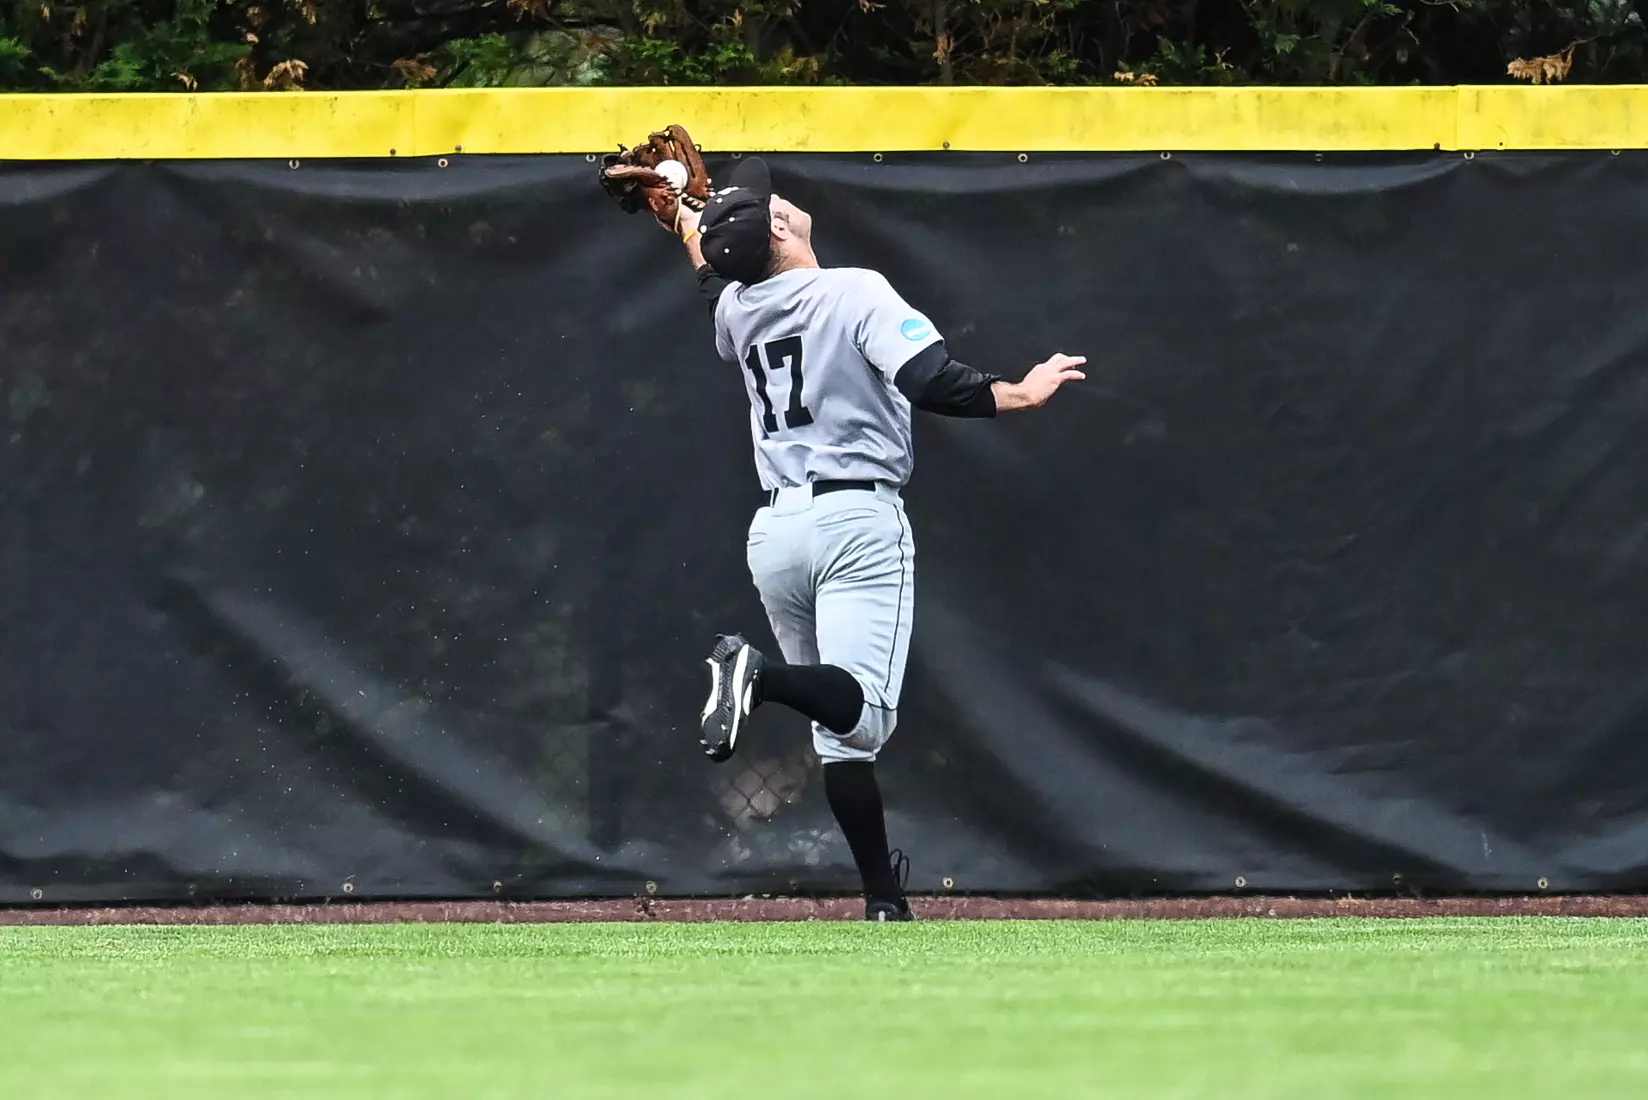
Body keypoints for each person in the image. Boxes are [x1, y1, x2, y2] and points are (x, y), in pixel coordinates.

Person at [675, 157, 1085, 921]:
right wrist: (1020, 393)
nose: (781, 200)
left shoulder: (738, 312)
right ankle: (753, 676)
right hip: (855, 520)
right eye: (772, 203)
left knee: (839, 736)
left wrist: (683, 223)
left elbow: (712, 283)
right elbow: (930, 379)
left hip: (776, 531)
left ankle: (883, 901)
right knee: (865, 714)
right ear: (783, 228)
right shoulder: (853, 288)